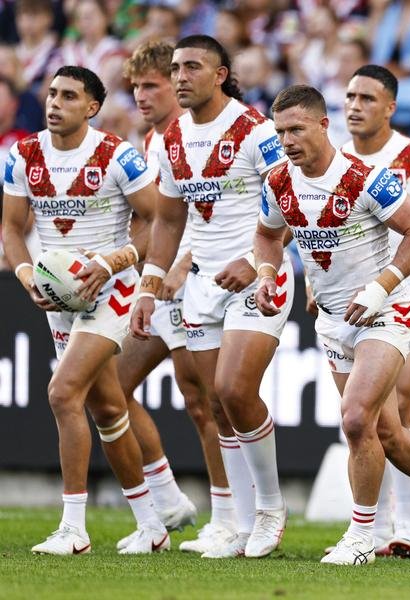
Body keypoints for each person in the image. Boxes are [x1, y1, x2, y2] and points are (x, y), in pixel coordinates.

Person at [254, 84, 410, 566]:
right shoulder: (277, 181)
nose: (287, 140)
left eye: (296, 129)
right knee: (387, 431)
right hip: (335, 321)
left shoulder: (367, 178)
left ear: (323, 125)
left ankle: (361, 537)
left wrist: (382, 285)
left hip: (388, 310)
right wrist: (266, 273)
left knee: (356, 418)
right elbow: (268, 234)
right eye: (279, 132)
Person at [130, 35, 293, 560]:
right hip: (201, 284)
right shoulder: (172, 138)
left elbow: (291, 201)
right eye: (175, 67)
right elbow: (170, 219)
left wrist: (257, 261)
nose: (180, 76)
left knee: (233, 390)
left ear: (219, 75)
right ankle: (234, 522)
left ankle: (270, 508)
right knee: (219, 407)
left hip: (258, 275)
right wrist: (149, 288)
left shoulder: (256, 131)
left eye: (192, 67)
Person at [2, 65, 169, 554]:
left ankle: (74, 529)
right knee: (109, 409)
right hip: (60, 297)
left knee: (62, 393)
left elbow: (156, 219)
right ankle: (151, 523)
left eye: (69, 96)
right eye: (52, 93)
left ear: (91, 108)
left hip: (111, 288)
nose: (54, 103)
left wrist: (114, 260)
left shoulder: (117, 155)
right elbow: (12, 228)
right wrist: (26, 274)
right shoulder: (24, 155)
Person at [118, 39, 239, 554]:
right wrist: (145, 274)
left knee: (205, 401)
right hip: (162, 285)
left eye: (154, 84)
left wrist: (180, 264)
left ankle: (232, 513)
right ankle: (167, 500)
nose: (143, 95)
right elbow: (162, 219)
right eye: (138, 86)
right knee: (110, 386)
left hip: (203, 282)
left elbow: (215, 214)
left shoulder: (221, 133)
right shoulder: (156, 142)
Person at [341, 64, 410, 558]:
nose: (355, 106)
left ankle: (405, 527)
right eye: (349, 96)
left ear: (390, 107)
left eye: (367, 98)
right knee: (368, 418)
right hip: (351, 306)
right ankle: (378, 526)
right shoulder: (335, 162)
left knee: (398, 401)